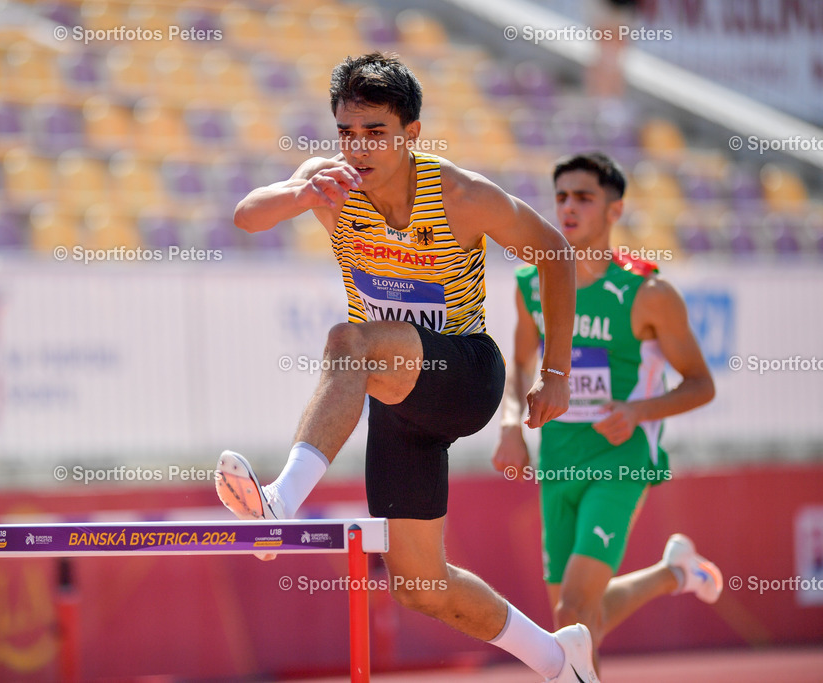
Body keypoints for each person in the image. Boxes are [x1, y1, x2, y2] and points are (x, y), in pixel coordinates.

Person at [215, 52, 599, 683]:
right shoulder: (328, 182)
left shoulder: (459, 195)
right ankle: (560, 660)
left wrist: (556, 373)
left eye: (375, 133)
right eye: (346, 132)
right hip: (397, 394)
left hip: (466, 374)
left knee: (350, 340)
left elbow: (554, 253)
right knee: (421, 584)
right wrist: (298, 193)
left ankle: (280, 502)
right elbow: (245, 216)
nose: (358, 149)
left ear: (411, 134)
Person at [492, 152, 723, 673]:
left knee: (572, 609)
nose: (569, 208)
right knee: (573, 618)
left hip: (620, 459)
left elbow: (701, 384)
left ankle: (671, 574)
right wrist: (510, 424)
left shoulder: (651, 293)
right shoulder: (533, 283)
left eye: (584, 197)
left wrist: (640, 409)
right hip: (557, 458)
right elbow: (520, 365)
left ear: (615, 210)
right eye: (561, 197)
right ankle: (672, 574)